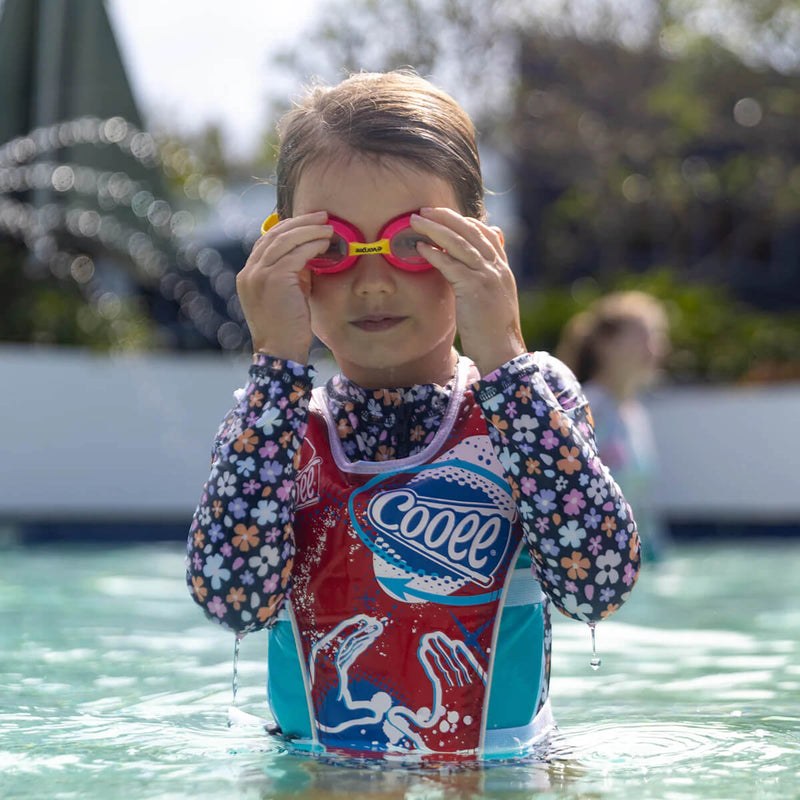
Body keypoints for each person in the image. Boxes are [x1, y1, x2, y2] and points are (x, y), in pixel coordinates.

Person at [186, 70, 640, 761]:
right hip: (314, 777)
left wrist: (505, 359)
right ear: (283, 256)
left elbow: (596, 585)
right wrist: (276, 360)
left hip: (499, 774)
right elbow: (233, 601)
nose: (372, 280)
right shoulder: (278, 424)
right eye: (333, 246)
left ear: (483, 249)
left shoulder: (529, 399)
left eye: (415, 241)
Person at [557, 291, 670, 562]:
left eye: (656, 337)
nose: (654, 348)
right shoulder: (582, 407)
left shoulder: (635, 416)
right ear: (605, 344)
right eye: (644, 335)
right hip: (585, 564)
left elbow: (643, 509)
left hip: (626, 566)